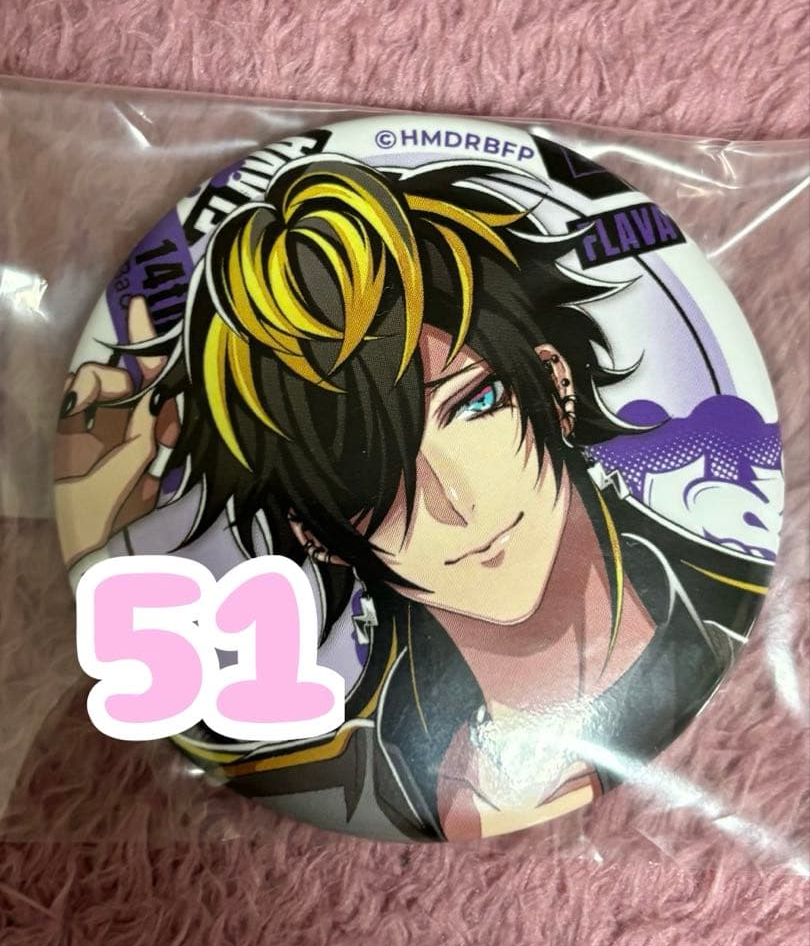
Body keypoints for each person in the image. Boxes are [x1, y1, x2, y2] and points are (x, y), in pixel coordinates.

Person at [55, 156, 772, 840]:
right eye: (368, 478)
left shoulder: (732, 631)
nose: (455, 502)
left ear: (554, 385)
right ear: (313, 532)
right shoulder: (337, 773)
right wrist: (99, 545)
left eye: (474, 404)